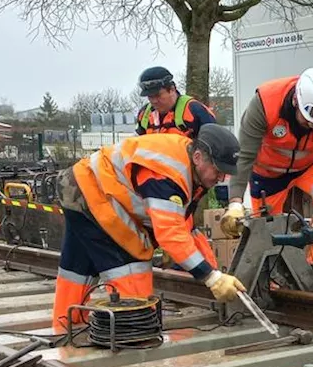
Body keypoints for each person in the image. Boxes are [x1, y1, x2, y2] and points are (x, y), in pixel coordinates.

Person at [52, 125, 243, 333]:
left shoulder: (186, 165)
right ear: (198, 157)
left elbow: (185, 227)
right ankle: (132, 335)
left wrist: (213, 271)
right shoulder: (166, 174)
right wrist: (211, 278)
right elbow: (170, 233)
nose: (221, 179)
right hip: (94, 194)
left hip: (76, 184)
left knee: (76, 269)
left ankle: (65, 328)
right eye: (218, 170)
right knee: (132, 264)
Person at [222, 68, 313, 243]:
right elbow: (245, 156)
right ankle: (275, 269)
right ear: (295, 101)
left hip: (310, 166)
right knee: (267, 233)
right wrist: (235, 202)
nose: (312, 126)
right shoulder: (265, 103)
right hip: (268, 175)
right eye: (308, 119)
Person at [134, 66, 217, 138]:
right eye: (150, 97)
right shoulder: (144, 115)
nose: (154, 101)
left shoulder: (195, 111)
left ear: (172, 89)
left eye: (158, 95)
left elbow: (214, 145)